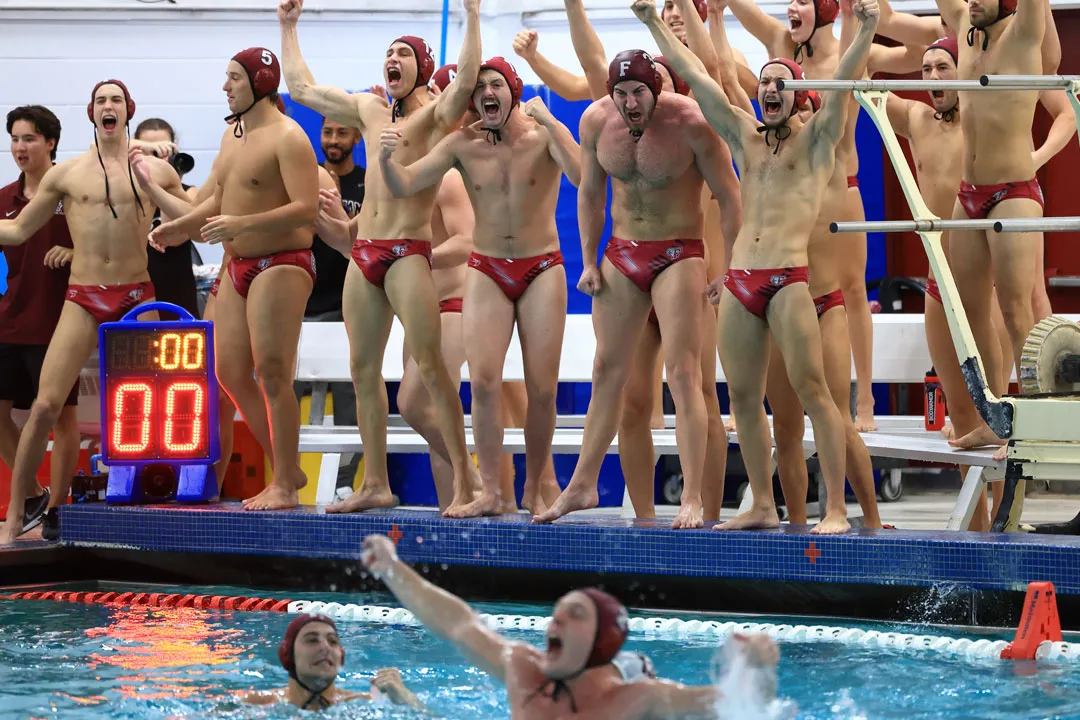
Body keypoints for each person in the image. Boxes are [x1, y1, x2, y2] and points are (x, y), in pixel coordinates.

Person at [637, 0, 881, 534]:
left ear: (799, 98)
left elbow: (843, 80)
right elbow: (701, 79)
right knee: (744, 400)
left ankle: (836, 509)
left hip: (790, 280)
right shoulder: (746, 138)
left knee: (817, 395)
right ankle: (763, 504)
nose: (770, 89)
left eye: (782, 83)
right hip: (742, 282)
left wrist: (865, 30)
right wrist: (654, 23)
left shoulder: (818, 143)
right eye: (765, 82)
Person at [280, 0, 483, 515]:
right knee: (362, 370)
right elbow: (303, 89)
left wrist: (474, 15)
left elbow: (465, 85)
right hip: (365, 253)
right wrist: (288, 25)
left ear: (419, 66)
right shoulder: (369, 111)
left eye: (401, 53)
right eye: (386, 53)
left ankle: (466, 480)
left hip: (408, 252)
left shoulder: (435, 118)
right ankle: (375, 483)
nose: (390, 59)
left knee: (433, 371)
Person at [535, 43, 742, 530]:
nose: (631, 104)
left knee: (684, 375)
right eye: (622, 93)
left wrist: (728, 269)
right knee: (608, 370)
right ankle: (583, 484)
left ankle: (691, 497)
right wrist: (587, 260)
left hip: (679, 253)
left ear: (658, 89)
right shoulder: (595, 122)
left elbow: (731, 197)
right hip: (623, 254)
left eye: (640, 93)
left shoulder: (691, 122)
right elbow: (588, 191)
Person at [380, 58, 581, 518]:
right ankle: (490, 490)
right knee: (485, 384)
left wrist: (552, 120)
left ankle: (536, 484)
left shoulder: (543, 134)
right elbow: (407, 182)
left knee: (542, 388)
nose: (487, 93)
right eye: (479, 88)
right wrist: (384, 160)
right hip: (488, 268)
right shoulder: (461, 145)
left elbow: (582, 176)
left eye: (496, 85)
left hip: (541, 267)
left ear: (512, 90)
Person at [0, 80, 190, 545]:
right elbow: (21, 229)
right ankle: (14, 516)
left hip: (136, 295)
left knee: (159, 404)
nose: (109, 107)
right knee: (45, 404)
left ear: (129, 111)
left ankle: (158, 505)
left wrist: (154, 187)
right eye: (102, 100)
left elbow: (195, 226)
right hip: (84, 295)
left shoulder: (154, 169)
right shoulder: (66, 174)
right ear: (91, 112)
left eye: (117, 101)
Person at [725, 0, 922, 432]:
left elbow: (915, 54)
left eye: (802, 3)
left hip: (838, 187)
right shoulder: (781, 42)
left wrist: (882, 16)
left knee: (851, 291)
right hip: (790, 193)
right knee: (777, 290)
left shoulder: (851, 52)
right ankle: (754, 403)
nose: (791, 9)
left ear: (829, 12)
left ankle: (865, 401)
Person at [149, 48, 319, 512]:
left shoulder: (289, 137)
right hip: (237, 266)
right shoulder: (232, 137)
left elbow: (307, 208)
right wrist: (178, 227)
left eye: (234, 79)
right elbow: (217, 202)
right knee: (227, 372)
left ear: (260, 83)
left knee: (272, 371)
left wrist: (241, 226)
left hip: (282, 261)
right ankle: (288, 468)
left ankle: (284, 481)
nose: (225, 87)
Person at [360, 533, 780, 718]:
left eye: (575, 615)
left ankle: (633, 661)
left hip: (623, 674)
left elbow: (743, 706)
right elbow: (458, 624)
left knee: (635, 671)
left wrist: (757, 665)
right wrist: (393, 570)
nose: (555, 620)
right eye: (557, 612)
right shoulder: (524, 670)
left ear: (603, 640)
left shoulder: (639, 702)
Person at [932, 0, 1047, 465]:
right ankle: (997, 416)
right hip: (968, 195)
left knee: (1017, 312)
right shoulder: (963, 28)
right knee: (969, 310)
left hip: (1013, 191)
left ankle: (1034, 424)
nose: (969, 1)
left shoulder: (1023, 33)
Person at [0, 105, 81, 540]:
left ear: (50, 142)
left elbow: (107, 248)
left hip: (58, 323)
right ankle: (33, 494)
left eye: (28, 138)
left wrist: (75, 253)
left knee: (61, 417)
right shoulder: (3, 199)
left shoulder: (74, 198)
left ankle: (54, 508)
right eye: (14, 138)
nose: (19, 147)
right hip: (9, 319)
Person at [294, 117, 368, 504]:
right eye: (327, 132)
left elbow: (366, 239)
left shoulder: (368, 183)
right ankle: (287, 472)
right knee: (284, 389)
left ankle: (345, 478)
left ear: (357, 136)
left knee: (349, 398)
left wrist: (340, 210)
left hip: (347, 306)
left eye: (342, 132)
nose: (333, 140)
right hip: (304, 304)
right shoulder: (305, 181)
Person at [244, 612, 423, 710]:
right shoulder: (255, 703)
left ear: (341, 657)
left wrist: (407, 700)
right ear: (287, 655)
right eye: (312, 640)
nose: (325, 647)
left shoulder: (361, 705)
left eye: (333, 641)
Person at [134, 118, 201, 320]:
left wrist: (172, 177)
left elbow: (174, 231)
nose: (156, 159)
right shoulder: (124, 197)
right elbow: (104, 146)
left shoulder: (189, 192)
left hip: (177, 296)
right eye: (150, 152)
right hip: (136, 295)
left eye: (162, 152)